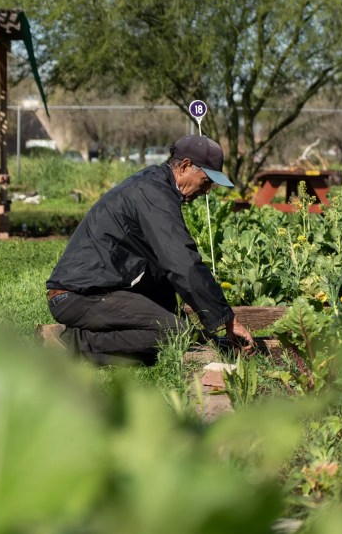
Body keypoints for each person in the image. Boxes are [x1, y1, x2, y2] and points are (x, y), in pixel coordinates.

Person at [43, 135, 254, 365]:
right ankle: (71, 344)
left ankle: (81, 337)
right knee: (174, 333)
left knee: (177, 330)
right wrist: (227, 319)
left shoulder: (155, 185)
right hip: (78, 296)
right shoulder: (154, 194)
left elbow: (162, 267)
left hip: (96, 291)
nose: (206, 191)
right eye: (205, 181)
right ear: (184, 167)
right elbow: (182, 262)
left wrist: (202, 326)